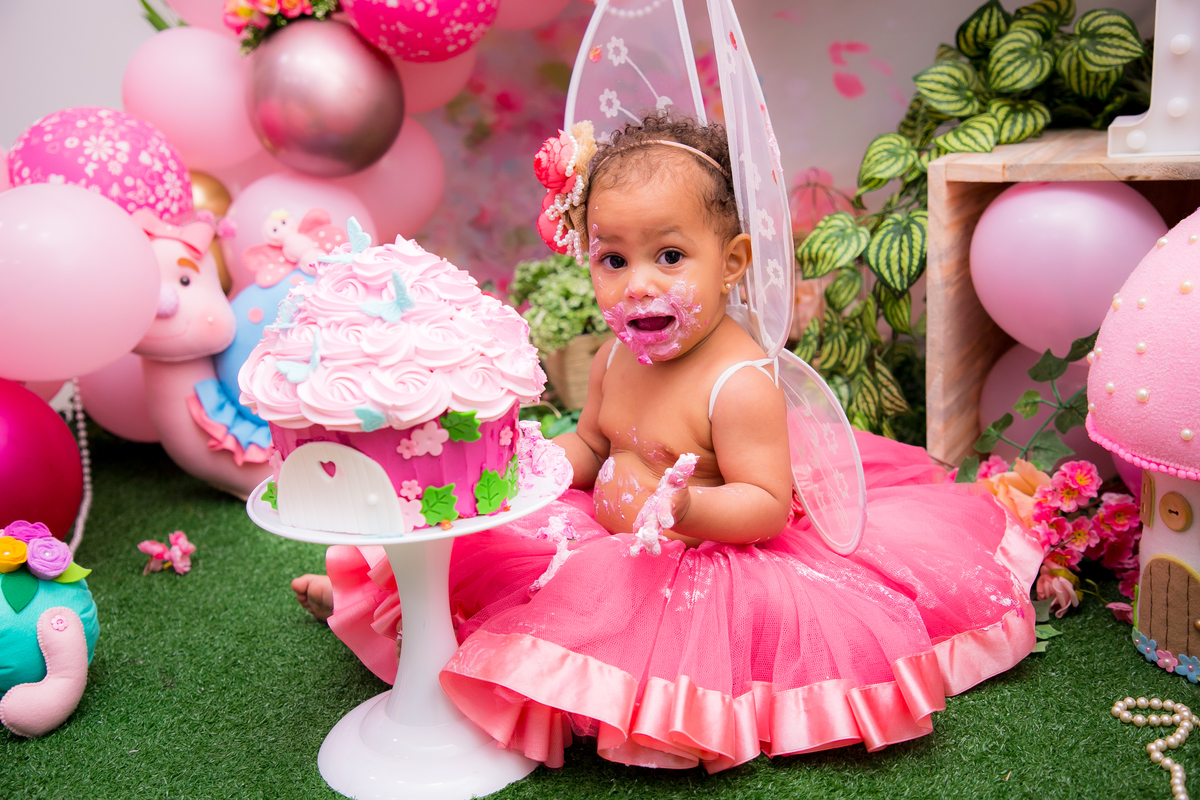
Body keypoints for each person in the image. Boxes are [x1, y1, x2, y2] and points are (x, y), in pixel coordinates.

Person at [293, 114, 1041, 773]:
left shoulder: (738, 384)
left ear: (732, 263)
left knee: (594, 618)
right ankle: (396, 601)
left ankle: (597, 696)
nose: (639, 285)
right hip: (604, 529)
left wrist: (688, 508)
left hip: (702, 556)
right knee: (487, 545)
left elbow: (766, 505)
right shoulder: (616, 357)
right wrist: (540, 463)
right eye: (613, 260)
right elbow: (593, 444)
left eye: (671, 257)